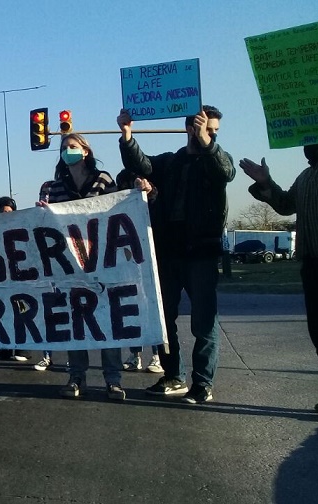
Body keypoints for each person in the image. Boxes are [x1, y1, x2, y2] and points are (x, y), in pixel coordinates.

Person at [118, 105, 236, 404]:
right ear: (188, 128)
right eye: (204, 128)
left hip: (202, 253)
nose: (208, 134)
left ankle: (203, 383)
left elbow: (226, 171)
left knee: (203, 322)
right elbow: (141, 165)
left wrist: (208, 143)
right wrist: (127, 135)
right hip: (169, 252)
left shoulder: (216, 160)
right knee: (163, 319)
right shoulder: (171, 162)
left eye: (213, 131)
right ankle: (173, 375)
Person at [38, 133, 125, 401]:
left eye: (73, 147)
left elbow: (117, 211)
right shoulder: (55, 187)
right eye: (64, 148)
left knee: (107, 319)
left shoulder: (103, 180)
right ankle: (77, 376)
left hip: (101, 259)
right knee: (76, 320)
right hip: (69, 263)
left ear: (86, 151)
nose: (68, 151)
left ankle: (113, 380)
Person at [240, 144, 318, 413]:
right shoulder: (305, 177)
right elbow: (287, 205)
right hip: (311, 262)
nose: (307, 146)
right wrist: (266, 182)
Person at [114, 170, 163, 375]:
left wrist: (148, 192)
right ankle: (135, 355)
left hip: (148, 263)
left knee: (151, 310)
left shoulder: (149, 202)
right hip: (127, 265)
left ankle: (157, 357)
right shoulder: (117, 206)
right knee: (132, 312)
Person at [0, 197, 30, 363]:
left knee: (22, 311)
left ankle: (23, 347)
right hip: (0, 279)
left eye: (8, 212)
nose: (5, 215)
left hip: (19, 277)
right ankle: (3, 347)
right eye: (2, 212)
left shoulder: (22, 227)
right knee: (2, 312)